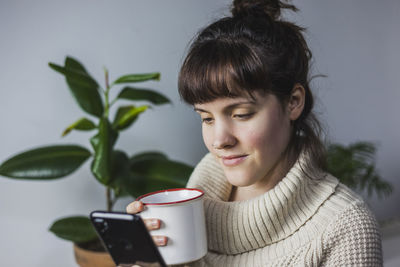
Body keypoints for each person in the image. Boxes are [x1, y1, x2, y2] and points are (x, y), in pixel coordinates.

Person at [127, 0, 383, 266]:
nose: (219, 141)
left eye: (241, 114)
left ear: (293, 101)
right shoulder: (193, 207)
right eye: (206, 118)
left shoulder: (346, 228)